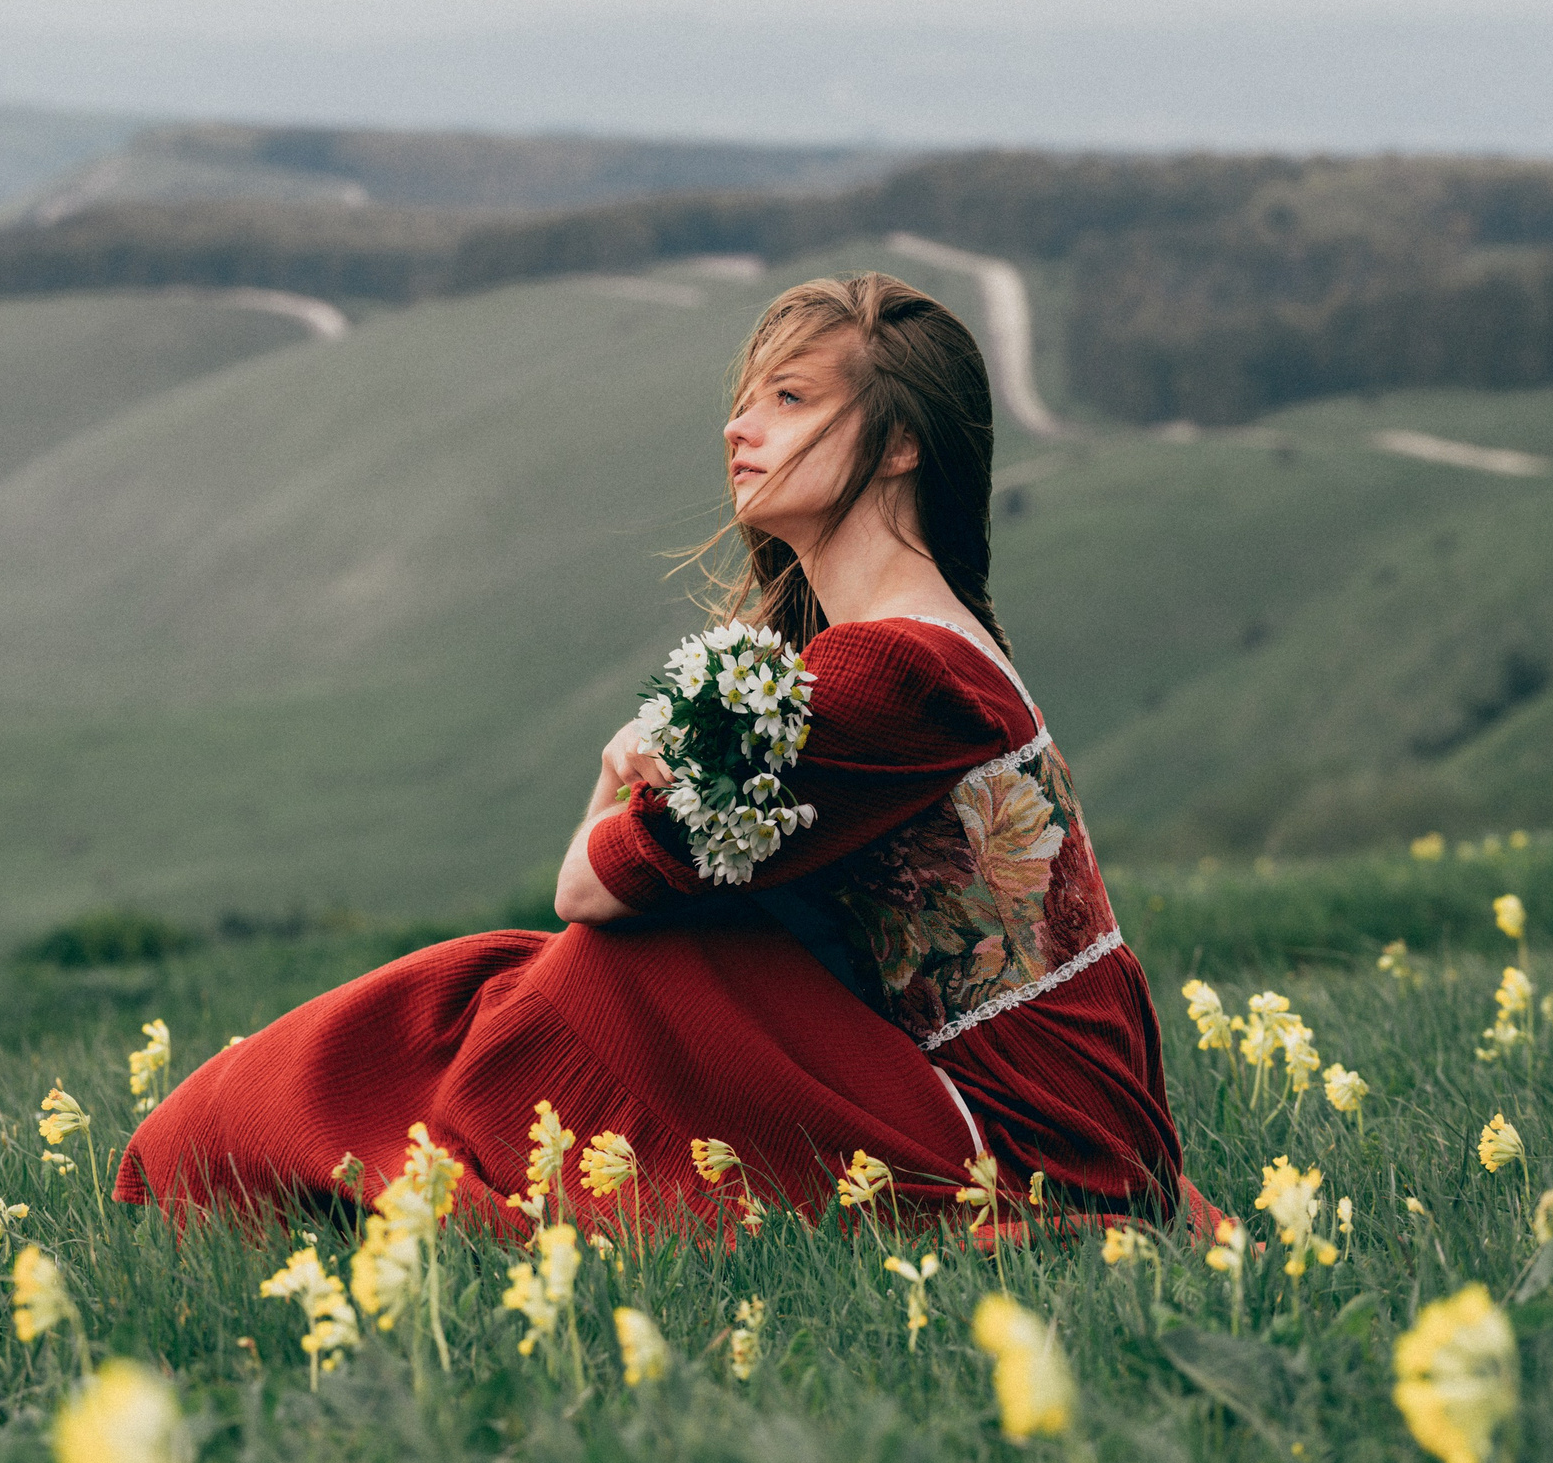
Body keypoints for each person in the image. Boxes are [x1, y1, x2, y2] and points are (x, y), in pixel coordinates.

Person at [118, 272, 1190, 1235]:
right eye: (747, 398)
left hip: (1023, 1136)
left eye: (790, 400)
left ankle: (283, 1151)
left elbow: (588, 887)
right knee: (550, 979)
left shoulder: (892, 673)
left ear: (901, 442)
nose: (739, 427)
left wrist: (616, 770)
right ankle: (313, 1142)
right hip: (1049, 1106)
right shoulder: (920, 646)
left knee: (587, 975)